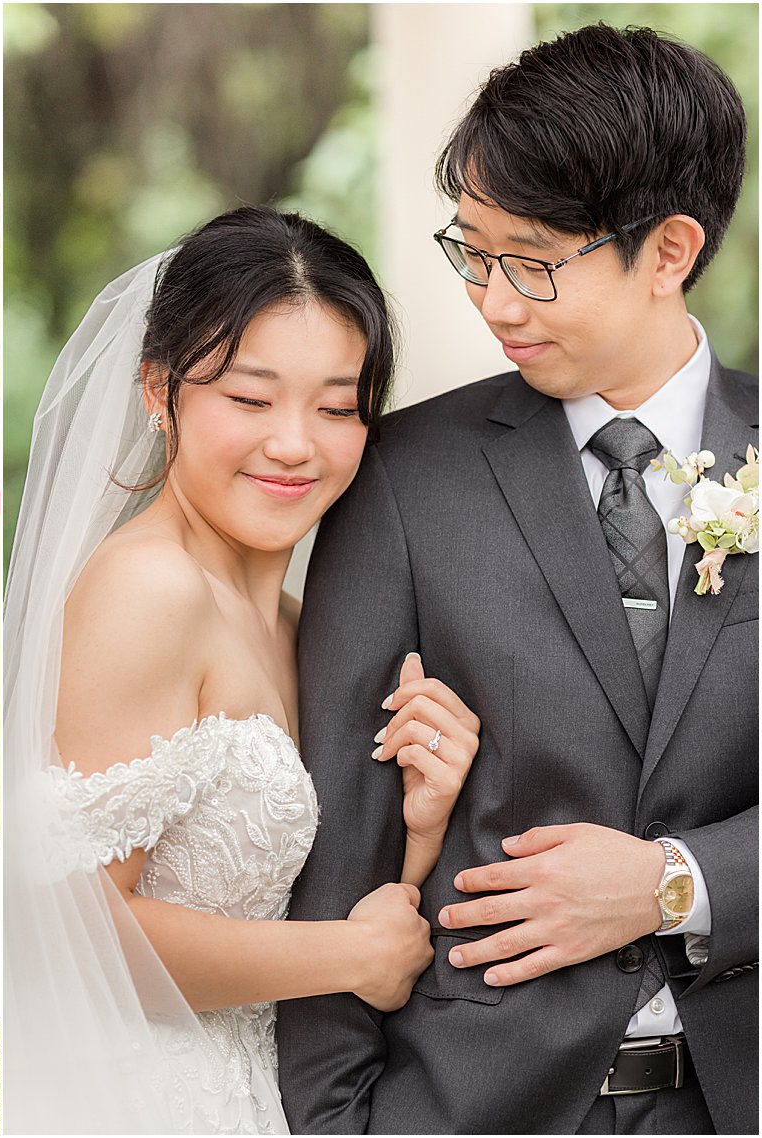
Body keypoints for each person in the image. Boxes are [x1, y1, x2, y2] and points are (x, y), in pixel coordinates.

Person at [277, 24, 757, 1135]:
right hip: (470, 1105)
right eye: (472, 251)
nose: (491, 300)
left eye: (532, 259)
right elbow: (335, 836)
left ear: (668, 250)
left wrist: (674, 881)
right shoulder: (401, 475)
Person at [3, 205, 483, 1132]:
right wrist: (345, 957)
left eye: (338, 407)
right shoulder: (149, 593)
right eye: (251, 399)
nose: (296, 443)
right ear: (158, 390)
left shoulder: (301, 623)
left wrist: (422, 826)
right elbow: (76, 932)